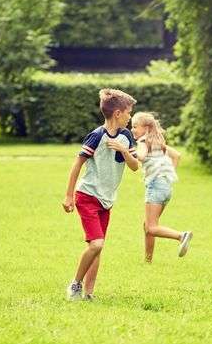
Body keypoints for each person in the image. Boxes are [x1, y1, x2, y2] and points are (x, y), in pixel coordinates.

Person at [62, 88, 139, 301]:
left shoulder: (126, 136)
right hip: (87, 196)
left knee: (97, 248)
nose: (130, 116)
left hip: (106, 201)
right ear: (117, 113)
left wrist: (123, 151)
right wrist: (69, 196)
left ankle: (88, 294)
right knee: (97, 244)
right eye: (128, 112)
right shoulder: (96, 136)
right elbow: (76, 165)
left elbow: (134, 166)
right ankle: (75, 285)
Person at [131, 112, 192, 263]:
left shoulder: (143, 141)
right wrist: (167, 176)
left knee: (151, 228)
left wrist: (127, 151)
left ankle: (181, 236)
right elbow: (177, 155)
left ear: (145, 128)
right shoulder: (158, 142)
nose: (132, 130)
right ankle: (148, 261)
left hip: (156, 186)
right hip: (165, 187)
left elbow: (142, 156)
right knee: (148, 225)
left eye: (135, 127)